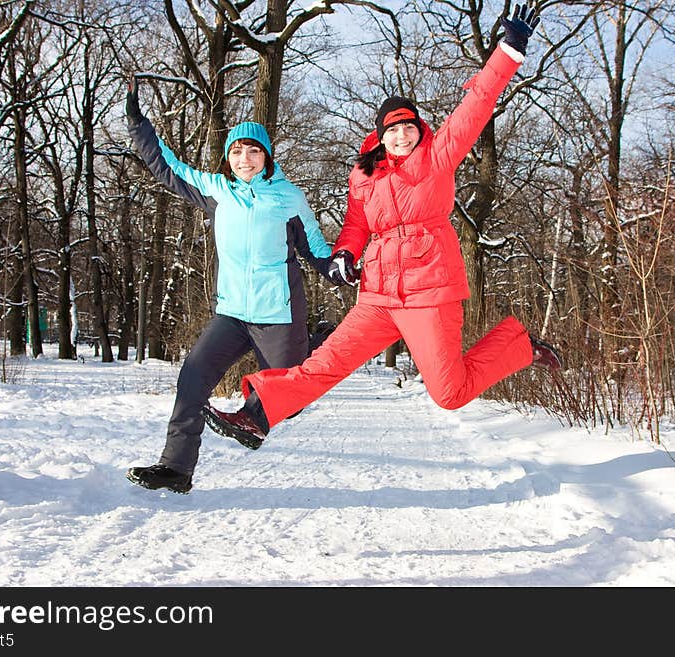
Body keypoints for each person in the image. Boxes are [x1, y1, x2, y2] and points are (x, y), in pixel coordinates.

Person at [202, 3, 563, 451]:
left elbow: (477, 104)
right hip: (378, 294)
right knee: (325, 362)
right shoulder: (365, 176)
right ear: (380, 136)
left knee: (449, 394)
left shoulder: (438, 157)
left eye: (408, 127)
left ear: (419, 129)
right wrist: (345, 254)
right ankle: (257, 416)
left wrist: (509, 50)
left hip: (430, 290)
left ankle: (520, 344)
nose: (401, 136)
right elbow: (356, 225)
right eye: (393, 130)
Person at [123, 76, 335, 492]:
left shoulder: (288, 197)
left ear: (266, 156)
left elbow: (315, 245)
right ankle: (176, 468)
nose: (244, 158)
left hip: (278, 314)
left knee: (287, 400)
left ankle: (314, 342)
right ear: (228, 158)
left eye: (253, 151)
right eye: (236, 151)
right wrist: (137, 123)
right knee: (193, 377)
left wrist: (337, 267)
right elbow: (167, 166)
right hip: (232, 313)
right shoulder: (218, 191)